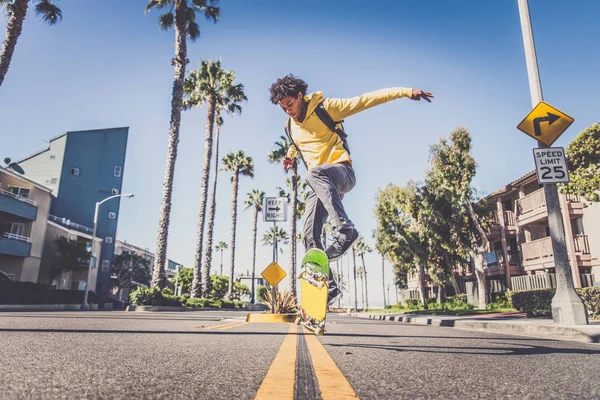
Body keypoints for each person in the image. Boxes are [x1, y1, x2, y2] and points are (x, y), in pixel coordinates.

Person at [269, 74, 433, 305]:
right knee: (309, 235)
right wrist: (289, 156)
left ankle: (346, 231)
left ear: (300, 96)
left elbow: (366, 100)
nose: (288, 110)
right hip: (320, 185)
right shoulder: (290, 126)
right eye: (282, 107)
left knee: (314, 173)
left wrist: (406, 91)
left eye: (290, 104)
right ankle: (330, 288)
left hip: (342, 173)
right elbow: (297, 142)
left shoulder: (328, 108)